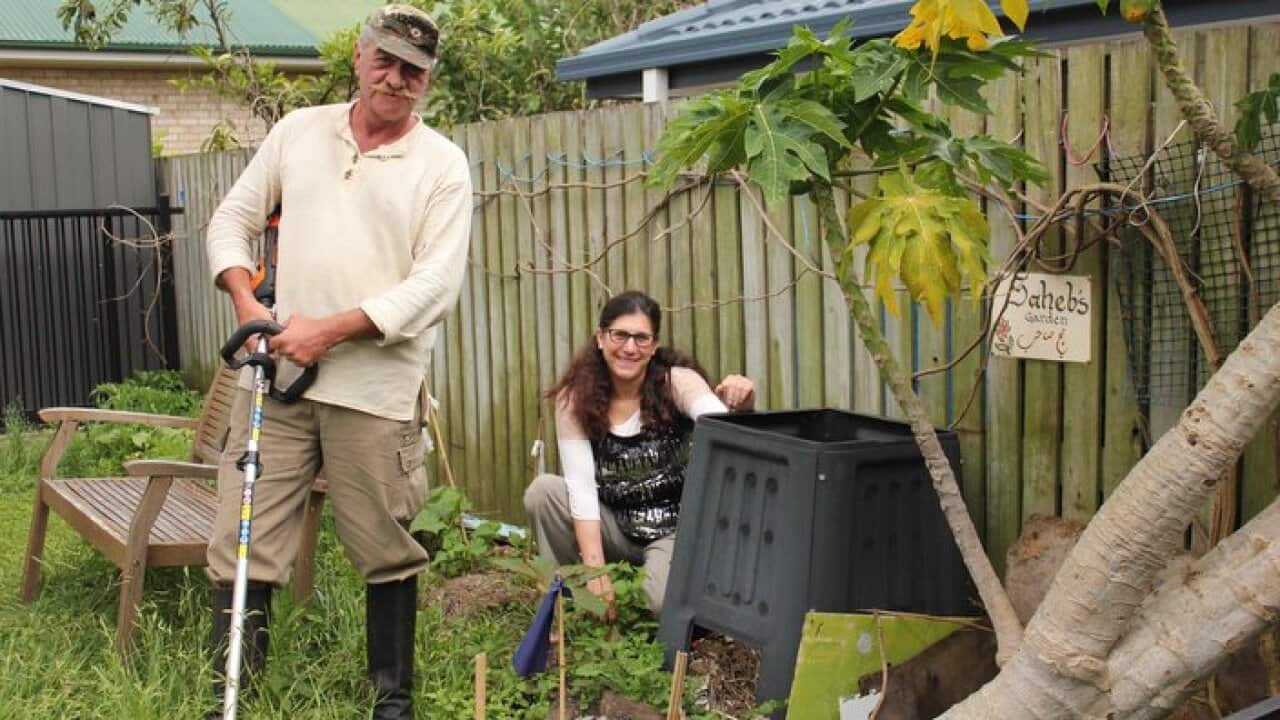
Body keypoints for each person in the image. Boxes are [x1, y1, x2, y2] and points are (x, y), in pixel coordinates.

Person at [203, 6, 470, 718]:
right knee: (243, 534)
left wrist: (330, 331)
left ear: (426, 82)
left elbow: (434, 286)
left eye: (413, 71)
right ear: (359, 56)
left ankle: (393, 702)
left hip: (378, 391)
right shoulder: (299, 132)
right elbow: (230, 220)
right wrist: (245, 301)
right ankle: (231, 691)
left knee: (386, 545)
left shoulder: (443, 165)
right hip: (278, 381)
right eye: (384, 61)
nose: (395, 78)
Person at [524, 291, 755, 616]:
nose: (630, 348)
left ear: (654, 345)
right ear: (601, 338)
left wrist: (741, 405)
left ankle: (652, 592)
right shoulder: (574, 399)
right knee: (542, 493)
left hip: (674, 531)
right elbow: (581, 489)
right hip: (615, 527)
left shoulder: (677, 383)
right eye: (620, 335)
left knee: (656, 606)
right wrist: (595, 573)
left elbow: (720, 427)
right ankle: (568, 600)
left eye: (641, 338)